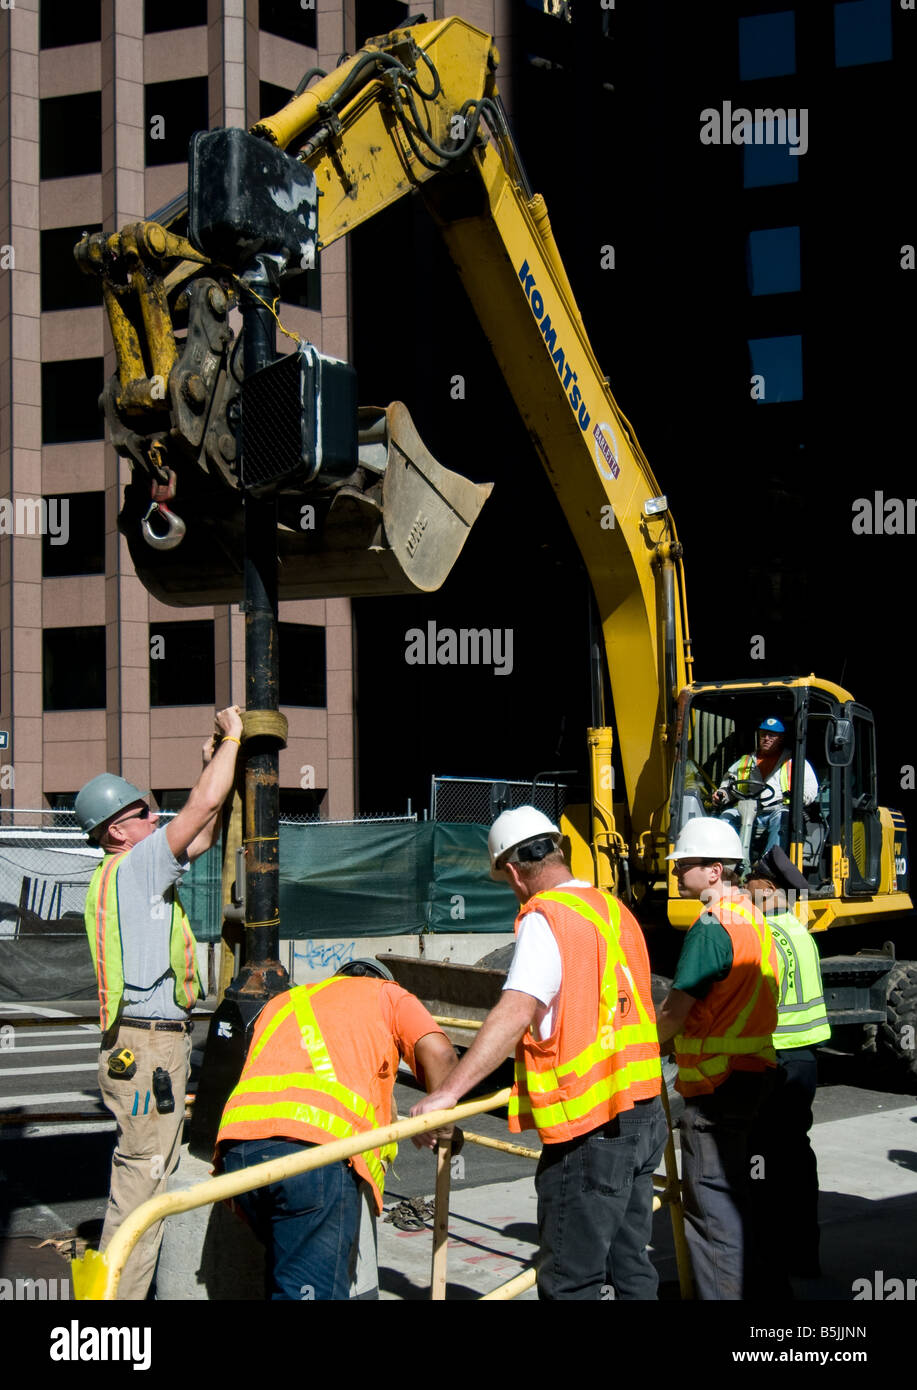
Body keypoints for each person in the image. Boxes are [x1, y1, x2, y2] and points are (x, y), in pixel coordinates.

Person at [412, 805, 666, 1301]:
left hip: (590, 1127)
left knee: (571, 1278)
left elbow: (516, 1010)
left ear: (512, 872)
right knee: (630, 1262)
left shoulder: (547, 917)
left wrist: (449, 1093)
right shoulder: (614, 910)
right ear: (558, 849)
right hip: (645, 1109)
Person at [75, 704, 244, 1300]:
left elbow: (203, 832)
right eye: (144, 811)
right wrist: (232, 743)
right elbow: (197, 811)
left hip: (142, 1045)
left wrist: (211, 762)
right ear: (118, 829)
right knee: (141, 1185)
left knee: (146, 1173)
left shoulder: (123, 871)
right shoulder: (139, 866)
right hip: (148, 1048)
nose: (155, 816)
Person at [214, 962, 458, 1300]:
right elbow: (441, 1054)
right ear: (382, 982)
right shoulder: (389, 996)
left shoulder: (285, 1001)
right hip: (314, 1159)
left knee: (289, 1279)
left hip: (237, 1151)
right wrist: (444, 1125)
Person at [655, 817, 779, 1300]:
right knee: (739, 1195)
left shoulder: (710, 927)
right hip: (752, 1073)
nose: (676, 871)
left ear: (714, 871)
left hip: (716, 1084)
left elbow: (677, 1010)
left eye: (684, 864)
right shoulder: (750, 915)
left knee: (710, 1207)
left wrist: (648, 1045)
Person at [745, 847, 831, 1293]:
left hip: (770, 1060)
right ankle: (804, 1254)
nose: (744, 891)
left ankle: (766, 1261)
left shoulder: (760, 936)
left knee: (760, 1161)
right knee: (796, 1157)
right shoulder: (799, 931)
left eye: (750, 885)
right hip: (803, 1062)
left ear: (766, 889)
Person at [712, 716, 818, 857]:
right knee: (727, 816)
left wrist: (799, 798)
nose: (766, 738)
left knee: (783, 818)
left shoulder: (794, 761)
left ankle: (769, 867)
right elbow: (729, 785)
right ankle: (727, 864)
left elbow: (810, 788)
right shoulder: (746, 761)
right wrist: (723, 794)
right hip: (749, 810)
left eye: (772, 735)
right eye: (763, 734)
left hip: (777, 809)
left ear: (780, 738)